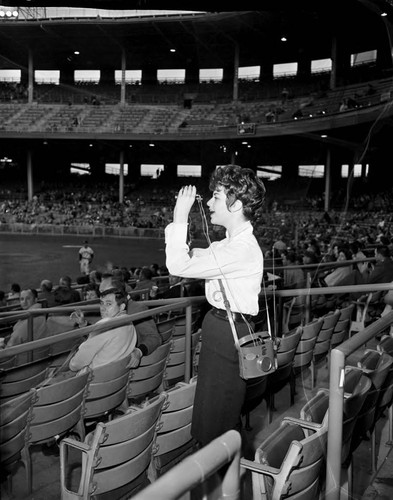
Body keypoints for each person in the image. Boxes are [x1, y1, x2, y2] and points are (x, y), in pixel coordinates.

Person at [165, 164, 266, 446]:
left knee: (215, 421)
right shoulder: (231, 245)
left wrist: (179, 215)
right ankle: (220, 478)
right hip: (223, 329)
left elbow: (178, 264)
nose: (209, 202)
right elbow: (198, 256)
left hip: (227, 335)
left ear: (236, 205)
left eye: (217, 196)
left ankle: (218, 482)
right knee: (217, 413)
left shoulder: (240, 249)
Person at [68, 280, 136, 372]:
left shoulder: (105, 324)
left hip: (92, 380)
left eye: (108, 304)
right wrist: (84, 324)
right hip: (116, 378)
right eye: (101, 303)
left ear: (122, 306)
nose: (102, 308)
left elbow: (75, 364)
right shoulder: (129, 321)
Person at [4, 288, 48, 363]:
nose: (24, 302)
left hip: (23, 362)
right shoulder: (40, 313)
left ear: (35, 300)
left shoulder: (30, 319)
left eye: (28, 298)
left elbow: (8, 350)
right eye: (22, 299)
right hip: (36, 358)